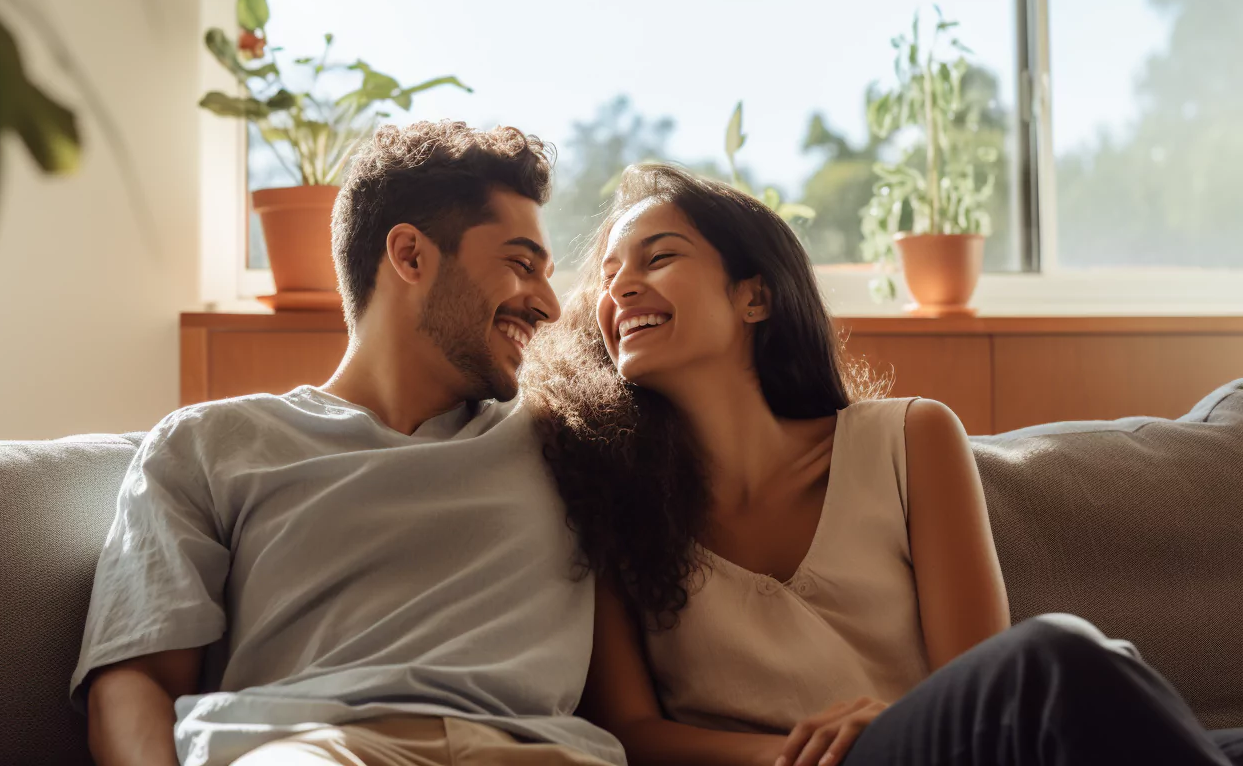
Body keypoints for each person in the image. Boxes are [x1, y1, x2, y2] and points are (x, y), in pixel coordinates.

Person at [522, 162, 1243, 766]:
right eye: (610, 274)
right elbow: (631, 732)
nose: (620, 289)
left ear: (755, 296)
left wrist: (890, 726)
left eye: (660, 256)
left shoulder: (911, 438)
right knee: (1059, 656)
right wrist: (802, 753)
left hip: (937, 748)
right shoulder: (611, 495)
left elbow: (978, 672)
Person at [69, 121, 625, 766]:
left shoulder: (568, 438)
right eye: (521, 264)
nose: (548, 306)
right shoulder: (210, 444)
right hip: (315, 750)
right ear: (411, 255)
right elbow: (136, 681)